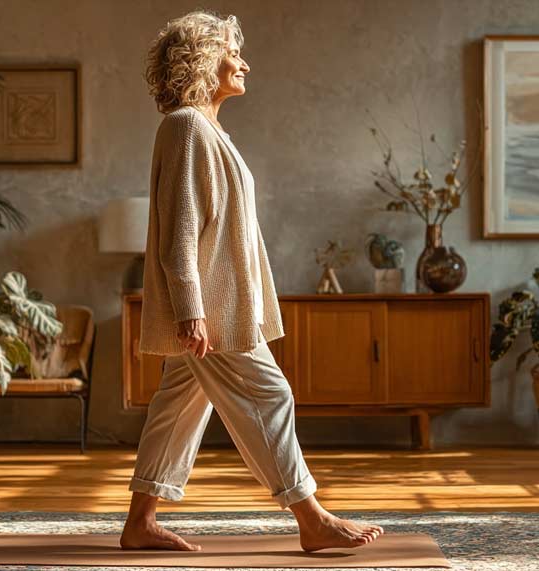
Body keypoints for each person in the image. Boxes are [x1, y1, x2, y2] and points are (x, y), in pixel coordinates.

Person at [119, 10, 385, 553]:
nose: (243, 63)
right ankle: (311, 517)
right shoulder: (187, 127)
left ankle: (140, 522)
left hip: (219, 301)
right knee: (271, 393)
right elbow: (181, 230)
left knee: (178, 404)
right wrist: (191, 309)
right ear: (202, 61)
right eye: (232, 53)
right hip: (213, 308)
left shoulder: (208, 129)